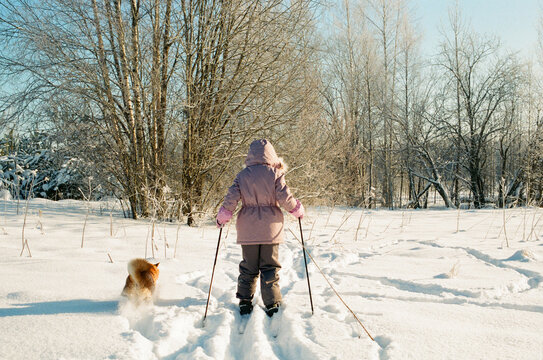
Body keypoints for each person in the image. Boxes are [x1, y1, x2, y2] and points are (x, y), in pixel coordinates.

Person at [216, 139, 304, 317]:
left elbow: (231, 199)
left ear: (250, 156)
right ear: (272, 155)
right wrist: (297, 210)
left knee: (248, 267)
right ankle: (272, 303)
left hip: (248, 229)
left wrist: (223, 216)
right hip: (271, 230)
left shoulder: (242, 175)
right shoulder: (275, 174)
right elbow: (285, 198)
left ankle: (245, 301)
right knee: (269, 267)